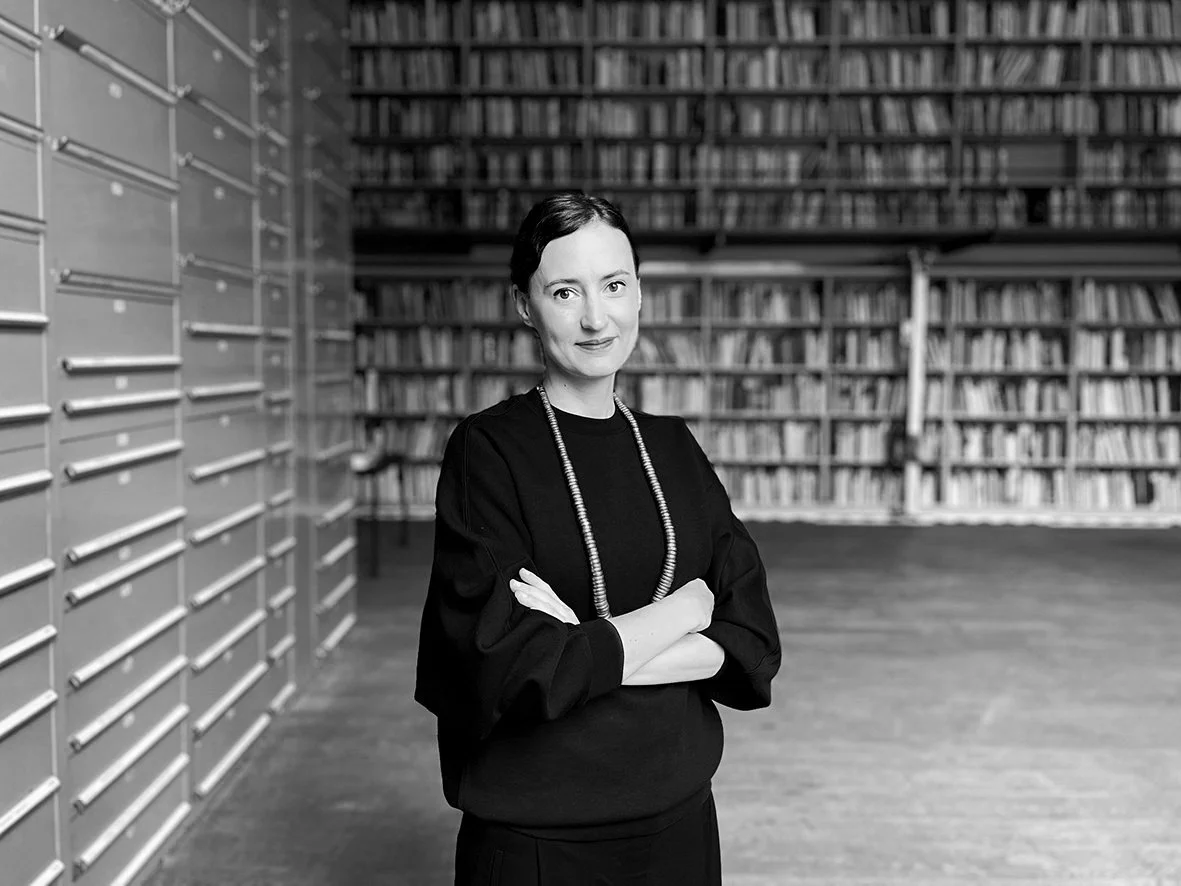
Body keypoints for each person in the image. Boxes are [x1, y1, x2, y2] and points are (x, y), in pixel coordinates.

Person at [414, 191, 782, 885]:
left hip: (679, 821)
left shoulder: (675, 448)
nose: (594, 317)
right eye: (564, 291)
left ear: (638, 292)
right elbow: (512, 669)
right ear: (525, 305)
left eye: (613, 285)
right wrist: (685, 610)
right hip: (538, 838)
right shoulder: (487, 452)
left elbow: (753, 641)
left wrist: (583, 642)